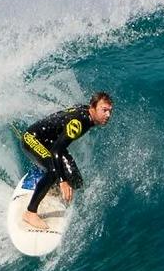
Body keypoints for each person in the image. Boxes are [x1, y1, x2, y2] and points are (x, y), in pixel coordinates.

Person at [19, 92, 113, 231]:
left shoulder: (86, 113)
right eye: (104, 110)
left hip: (51, 142)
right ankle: (30, 212)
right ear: (92, 108)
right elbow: (57, 151)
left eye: (110, 111)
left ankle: (50, 185)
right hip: (33, 139)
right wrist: (62, 180)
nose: (108, 115)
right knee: (53, 172)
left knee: (76, 181)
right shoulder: (79, 123)